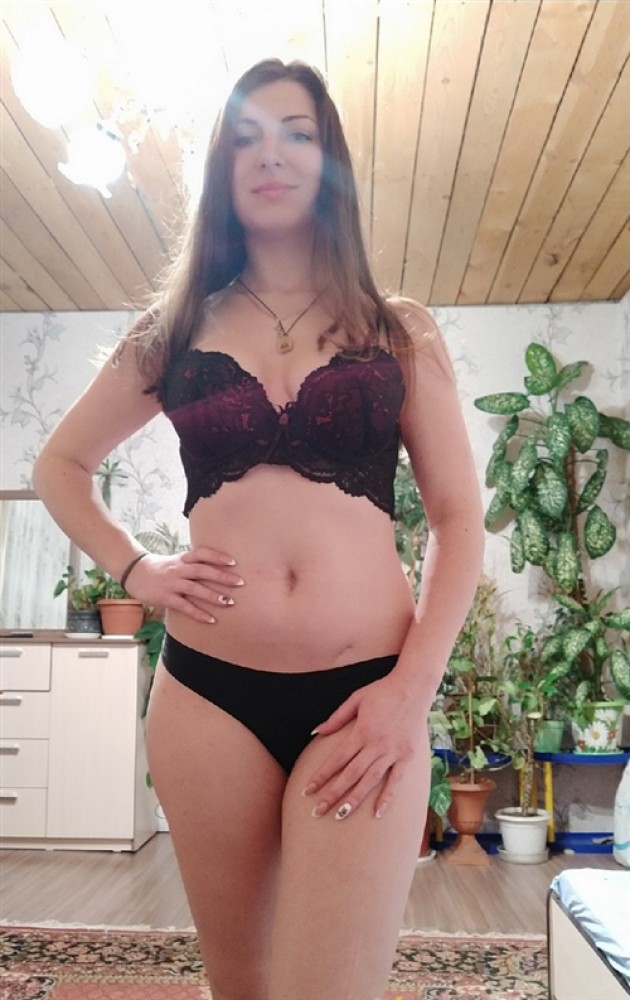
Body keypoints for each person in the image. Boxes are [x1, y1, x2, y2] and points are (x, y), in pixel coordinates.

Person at [34, 59, 484, 1000]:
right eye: (246, 137)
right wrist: (136, 568)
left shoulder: (398, 331)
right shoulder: (173, 329)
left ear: (329, 162)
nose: (270, 154)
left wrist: (410, 694)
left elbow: (457, 519)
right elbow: (59, 466)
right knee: (240, 984)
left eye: (296, 133)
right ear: (221, 169)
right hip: (207, 701)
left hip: (365, 699)